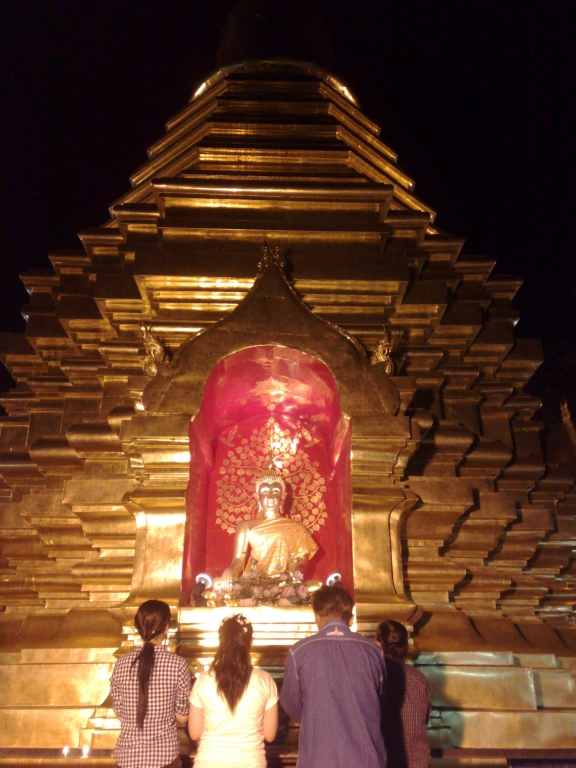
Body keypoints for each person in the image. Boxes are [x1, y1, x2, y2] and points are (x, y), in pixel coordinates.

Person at [280, 583, 386, 768]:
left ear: (317, 616)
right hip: (365, 757)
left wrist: (317, 715)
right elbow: (380, 699)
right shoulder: (373, 652)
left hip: (319, 757)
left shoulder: (300, 652)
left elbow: (291, 703)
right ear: (350, 619)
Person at [110, 599, 193, 768]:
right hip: (164, 756)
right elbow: (182, 717)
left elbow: (120, 713)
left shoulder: (122, 663)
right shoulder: (177, 664)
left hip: (127, 757)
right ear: (166, 626)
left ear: (139, 628)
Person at [189, 614, 279, 768]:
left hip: (208, 762)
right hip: (251, 762)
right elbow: (270, 735)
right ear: (250, 642)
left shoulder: (203, 680)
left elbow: (194, 733)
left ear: (221, 642)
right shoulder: (265, 680)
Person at [218, 463, 318, 586]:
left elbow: (301, 561)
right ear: (257, 496)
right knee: (218, 584)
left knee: (315, 586)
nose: (270, 496)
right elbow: (239, 560)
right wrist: (231, 570)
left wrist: (290, 574)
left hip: (284, 583)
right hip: (254, 583)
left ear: (283, 497)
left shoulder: (296, 528)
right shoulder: (245, 526)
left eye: (275, 492)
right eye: (265, 492)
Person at [376, 619, 431, 768]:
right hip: (415, 761)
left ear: (379, 644)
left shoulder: (372, 677)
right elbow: (425, 718)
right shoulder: (419, 680)